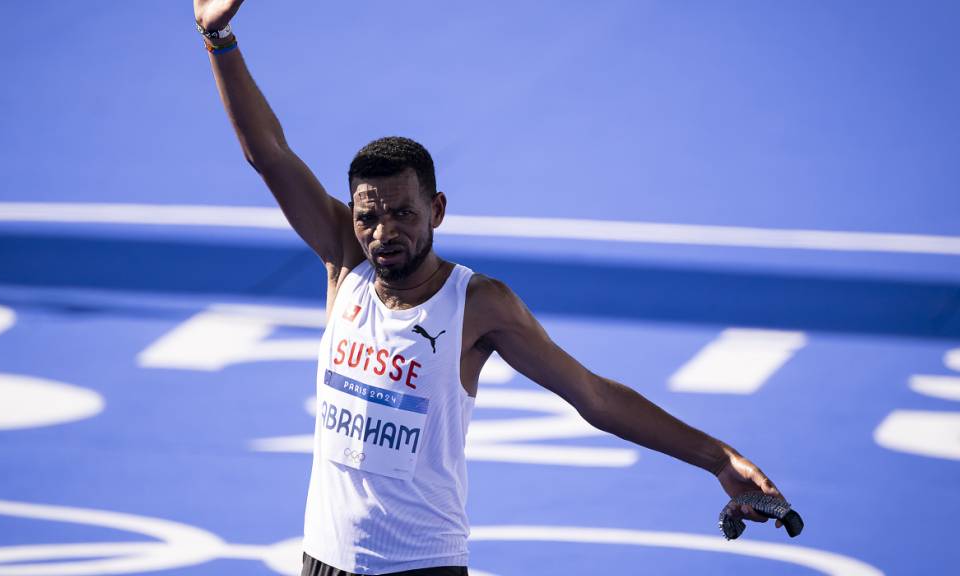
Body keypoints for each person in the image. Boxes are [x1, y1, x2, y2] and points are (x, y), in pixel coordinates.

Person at [194, 1, 789, 574]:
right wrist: (218, 39)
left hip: (419, 566)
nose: (383, 233)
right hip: (321, 560)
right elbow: (268, 155)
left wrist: (717, 458)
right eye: (368, 216)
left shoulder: (477, 305)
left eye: (403, 213)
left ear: (438, 210)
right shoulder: (343, 263)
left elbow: (593, 396)